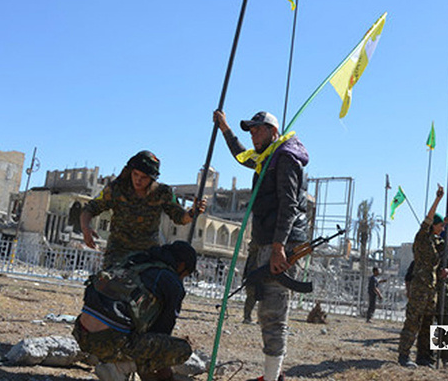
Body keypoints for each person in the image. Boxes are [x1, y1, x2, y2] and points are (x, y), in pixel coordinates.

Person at [213, 109, 309, 381]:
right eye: (251, 131)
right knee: (265, 309)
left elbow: (289, 205)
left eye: (258, 130)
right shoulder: (267, 159)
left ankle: (271, 378)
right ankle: (273, 375)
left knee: (273, 313)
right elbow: (242, 155)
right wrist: (225, 129)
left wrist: (279, 246)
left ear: (273, 132)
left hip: (282, 244)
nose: (254, 135)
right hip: (267, 242)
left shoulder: (286, 158)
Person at [73, 241, 197, 381]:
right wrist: (162, 371)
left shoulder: (136, 260)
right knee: (181, 349)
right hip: (110, 341)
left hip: (82, 334)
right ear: (181, 265)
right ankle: (118, 367)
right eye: (185, 275)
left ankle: (103, 358)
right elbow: (161, 333)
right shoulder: (171, 280)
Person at [80, 150, 206, 266]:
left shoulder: (163, 193)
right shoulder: (117, 189)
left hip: (148, 254)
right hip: (118, 253)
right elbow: (90, 208)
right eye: (135, 174)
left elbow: (180, 217)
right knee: (108, 286)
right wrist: (86, 228)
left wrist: (193, 212)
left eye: (144, 177)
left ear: (152, 178)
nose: (138, 180)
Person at [397, 184, 446, 369]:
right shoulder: (422, 237)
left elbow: (447, 249)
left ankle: (426, 357)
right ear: (433, 225)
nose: (442, 229)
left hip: (433, 289)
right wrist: (438, 199)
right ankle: (403, 355)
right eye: (440, 225)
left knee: (428, 324)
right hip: (420, 288)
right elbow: (427, 219)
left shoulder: (437, 242)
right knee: (413, 321)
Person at [418, 225, 448, 367]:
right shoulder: (435, 247)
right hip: (430, 290)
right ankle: (425, 355)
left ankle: (446, 358)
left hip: (444, 291)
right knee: (427, 322)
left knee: (445, 323)